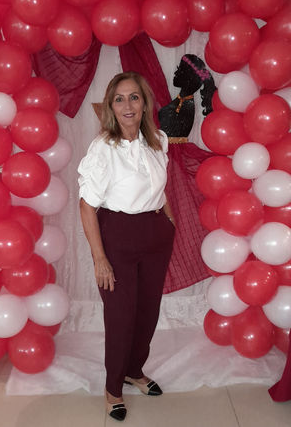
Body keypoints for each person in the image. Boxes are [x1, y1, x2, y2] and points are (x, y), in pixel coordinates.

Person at [78, 72, 175, 421]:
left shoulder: (158, 140)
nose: (127, 105)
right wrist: (99, 259)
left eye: (134, 97)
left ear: (145, 103)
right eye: (119, 99)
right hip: (118, 236)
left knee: (147, 311)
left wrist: (169, 221)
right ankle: (113, 389)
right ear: (110, 106)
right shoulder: (104, 148)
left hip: (155, 234)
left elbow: (160, 189)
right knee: (121, 317)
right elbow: (86, 206)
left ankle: (134, 370)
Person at [158, 54, 216, 294]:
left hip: (171, 162)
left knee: (175, 215)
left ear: (188, 76)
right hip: (169, 159)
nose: (175, 74)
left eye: (179, 70)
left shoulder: (183, 104)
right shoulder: (183, 101)